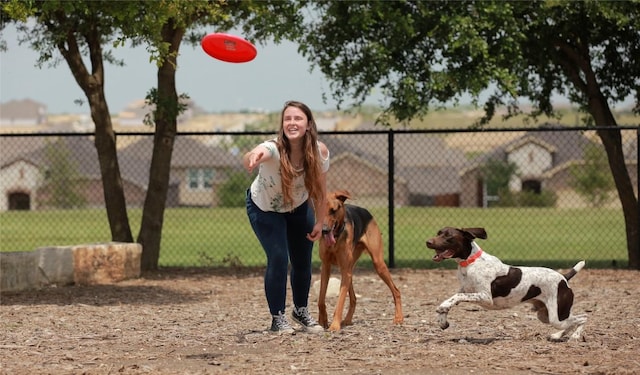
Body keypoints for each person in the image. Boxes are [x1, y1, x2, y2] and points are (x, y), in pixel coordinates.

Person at [243, 100, 330, 334]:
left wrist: (320, 222)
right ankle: (277, 318)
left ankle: (300, 311)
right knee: (279, 257)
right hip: (265, 208)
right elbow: (257, 152)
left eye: (298, 118)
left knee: (302, 261)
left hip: (298, 207)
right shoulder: (273, 148)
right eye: (288, 119)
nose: (292, 123)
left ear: (309, 124)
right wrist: (253, 157)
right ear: (282, 125)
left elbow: (321, 193)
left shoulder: (319, 151)